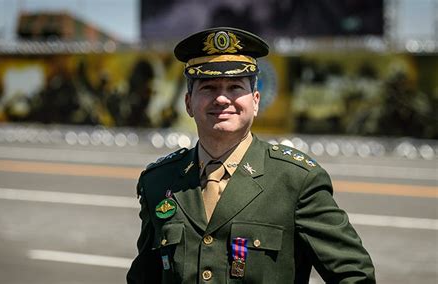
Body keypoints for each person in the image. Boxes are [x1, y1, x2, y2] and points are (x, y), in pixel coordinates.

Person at [127, 27, 375, 283]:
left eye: (235, 87)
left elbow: (354, 276)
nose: (222, 98)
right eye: (208, 87)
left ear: (256, 101)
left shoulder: (296, 180)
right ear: (189, 103)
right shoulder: (159, 182)